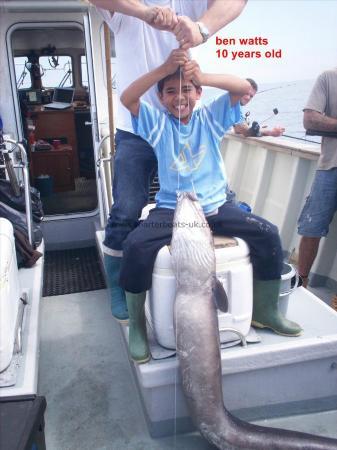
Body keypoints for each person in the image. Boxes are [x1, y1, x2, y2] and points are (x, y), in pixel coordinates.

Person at [118, 49, 302, 363]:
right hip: (172, 212)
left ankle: (265, 311)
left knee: (268, 235)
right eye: (171, 92)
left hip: (216, 208)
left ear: (199, 93)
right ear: (161, 98)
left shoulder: (211, 117)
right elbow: (128, 98)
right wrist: (164, 67)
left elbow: (242, 87)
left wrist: (200, 74)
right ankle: (137, 325)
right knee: (135, 246)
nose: (179, 97)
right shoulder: (156, 123)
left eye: (187, 89)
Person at [89, 0, 248, 323]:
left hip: (184, 125)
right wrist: (144, 13)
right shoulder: (123, 9)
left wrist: (201, 28)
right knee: (126, 210)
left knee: (221, 198)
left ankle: (228, 275)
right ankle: (119, 286)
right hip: (137, 127)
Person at [297, 69, 337, 288]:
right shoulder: (328, 78)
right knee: (311, 228)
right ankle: (301, 281)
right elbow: (310, 119)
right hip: (330, 165)